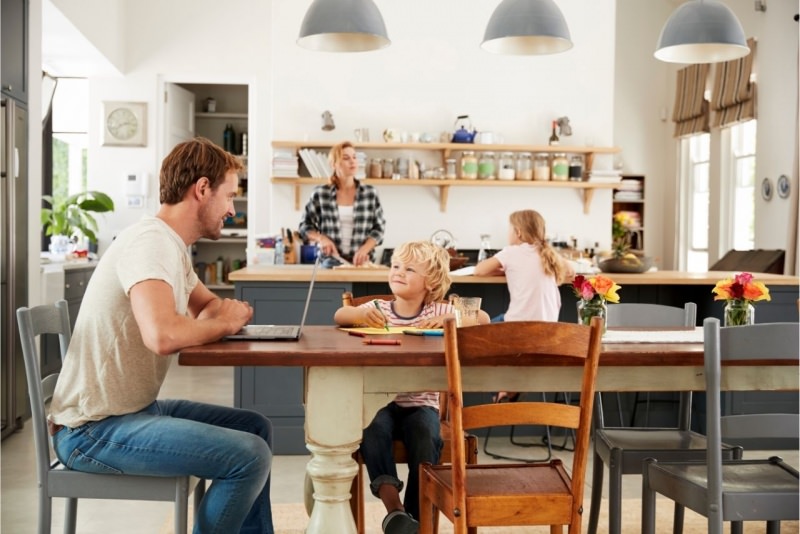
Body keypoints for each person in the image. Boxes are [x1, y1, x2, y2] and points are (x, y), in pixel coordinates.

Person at [48, 137, 275, 534]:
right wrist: (226, 321)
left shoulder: (171, 246)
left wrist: (224, 313)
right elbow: (163, 335)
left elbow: (205, 307)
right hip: (93, 430)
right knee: (250, 455)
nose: (232, 210)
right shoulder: (150, 242)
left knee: (254, 428)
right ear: (201, 189)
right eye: (229, 196)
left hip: (132, 411)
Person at [334, 241, 488, 534]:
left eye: (409, 269)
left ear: (429, 282)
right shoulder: (378, 309)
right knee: (372, 429)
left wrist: (449, 318)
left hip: (421, 402)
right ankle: (395, 510)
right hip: (379, 400)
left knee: (425, 435)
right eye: (395, 266)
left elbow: (482, 319)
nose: (398, 272)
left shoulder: (441, 308)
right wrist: (359, 315)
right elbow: (340, 316)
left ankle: (414, 521)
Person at [473, 209, 574, 402]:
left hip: (517, 329)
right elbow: (571, 269)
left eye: (509, 229)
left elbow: (479, 270)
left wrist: (504, 270)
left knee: (477, 335)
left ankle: (504, 386)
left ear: (518, 232)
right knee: (513, 344)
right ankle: (510, 385)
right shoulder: (549, 254)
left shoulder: (511, 252)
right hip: (549, 333)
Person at [299, 141, 386, 266]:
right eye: (346, 158)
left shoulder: (370, 193)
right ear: (334, 164)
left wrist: (364, 249)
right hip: (331, 261)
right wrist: (322, 239)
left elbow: (379, 228)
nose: (352, 161)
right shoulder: (320, 193)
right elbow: (304, 226)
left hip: (363, 263)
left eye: (354, 157)